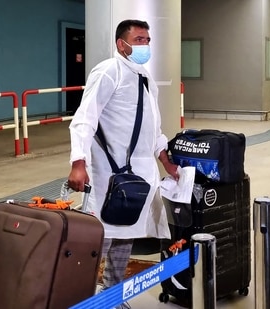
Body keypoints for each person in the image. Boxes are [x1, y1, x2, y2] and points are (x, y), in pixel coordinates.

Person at [67, 19, 179, 308]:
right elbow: (84, 120)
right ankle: (83, 296)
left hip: (138, 176)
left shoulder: (144, 78)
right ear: (122, 44)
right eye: (139, 39)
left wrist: (165, 161)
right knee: (100, 239)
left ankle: (112, 295)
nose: (145, 45)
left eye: (147, 40)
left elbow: (153, 129)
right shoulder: (108, 72)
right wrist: (78, 163)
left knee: (125, 237)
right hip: (108, 174)